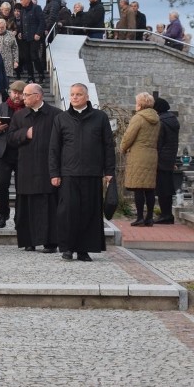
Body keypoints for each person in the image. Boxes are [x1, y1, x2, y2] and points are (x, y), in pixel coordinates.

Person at [49, 83, 114, 262]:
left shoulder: (100, 117)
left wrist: (109, 171)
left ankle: (84, 249)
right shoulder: (61, 118)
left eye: (78, 94)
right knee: (68, 212)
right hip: (68, 173)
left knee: (89, 212)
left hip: (92, 173)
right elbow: (54, 148)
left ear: (86, 97)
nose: (75, 97)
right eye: (72, 94)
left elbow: (108, 145)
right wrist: (54, 173)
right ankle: (67, 248)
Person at [7, 82, 61, 252]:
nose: (23, 98)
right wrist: (25, 134)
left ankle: (50, 242)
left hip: (47, 168)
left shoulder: (56, 115)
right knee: (26, 206)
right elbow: (10, 138)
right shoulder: (20, 116)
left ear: (37, 96)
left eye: (26, 95)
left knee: (48, 206)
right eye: (23, 94)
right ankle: (28, 241)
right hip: (26, 167)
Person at [0, 80, 25, 228]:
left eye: (20, 93)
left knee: (22, 187)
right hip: (4, 152)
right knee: (1, 184)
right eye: (15, 92)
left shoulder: (28, 109)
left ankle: (19, 217)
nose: (17, 96)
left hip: (23, 152)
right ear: (10, 92)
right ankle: (3, 213)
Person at [120, 92, 160, 227]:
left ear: (141, 104)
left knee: (138, 187)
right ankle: (149, 217)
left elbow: (129, 136)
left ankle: (139, 217)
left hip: (138, 155)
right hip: (151, 155)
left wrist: (123, 148)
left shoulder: (138, 118)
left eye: (137, 102)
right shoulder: (156, 118)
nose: (135, 105)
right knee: (149, 188)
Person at [153, 97, 179, 225]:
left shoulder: (161, 122)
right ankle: (167, 214)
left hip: (161, 159)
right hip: (169, 158)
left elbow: (159, 142)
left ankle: (165, 215)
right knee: (167, 187)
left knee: (162, 189)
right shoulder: (173, 120)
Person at [15, 0, 45, 82]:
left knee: (34, 56)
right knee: (26, 57)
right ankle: (30, 76)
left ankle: (41, 74)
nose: (20, 1)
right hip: (25, 38)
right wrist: (20, 32)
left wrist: (38, 33)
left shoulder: (36, 8)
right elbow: (21, 23)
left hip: (34, 37)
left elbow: (42, 22)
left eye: (21, 0)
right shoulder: (22, 10)